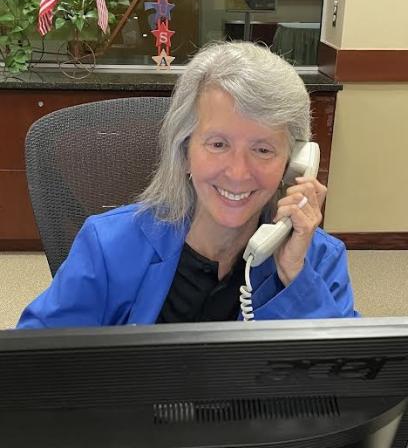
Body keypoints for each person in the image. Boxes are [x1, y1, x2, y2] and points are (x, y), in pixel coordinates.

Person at [17, 41, 358, 329]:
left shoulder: (317, 257)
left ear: (294, 161)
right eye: (218, 144)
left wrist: (296, 276)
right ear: (184, 150)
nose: (238, 173)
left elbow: (349, 385)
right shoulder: (108, 246)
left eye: (263, 149)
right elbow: (33, 363)